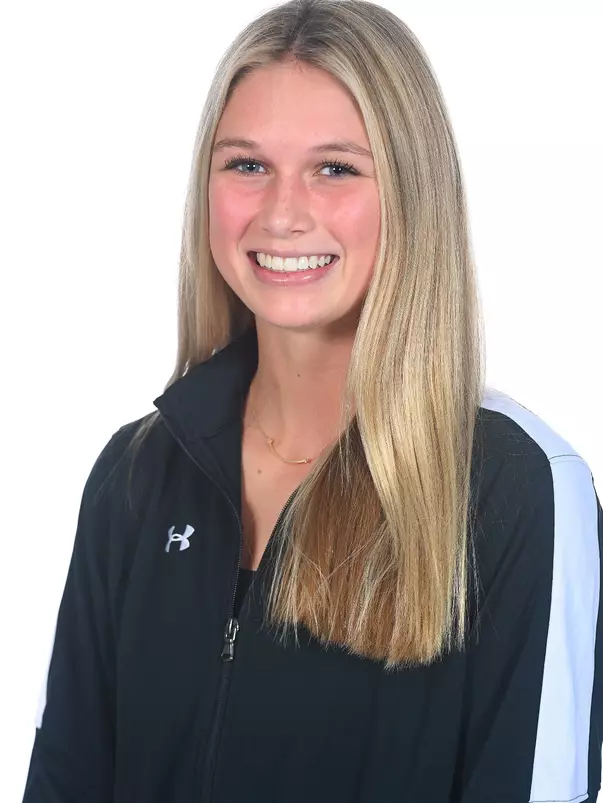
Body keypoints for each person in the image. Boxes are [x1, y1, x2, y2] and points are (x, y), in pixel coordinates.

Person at [22, 0, 603, 801]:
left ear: (411, 191)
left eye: (334, 168)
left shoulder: (519, 488)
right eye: (246, 165)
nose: (282, 213)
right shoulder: (136, 474)